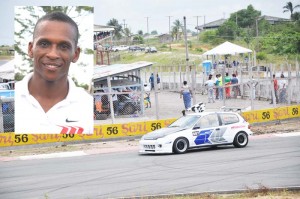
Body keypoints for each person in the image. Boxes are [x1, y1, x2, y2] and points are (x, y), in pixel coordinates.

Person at [15, 11, 93, 134]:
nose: (52, 54)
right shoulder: (9, 100)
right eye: (44, 44)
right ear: (31, 49)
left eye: (63, 46)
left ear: (76, 54)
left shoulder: (88, 106)